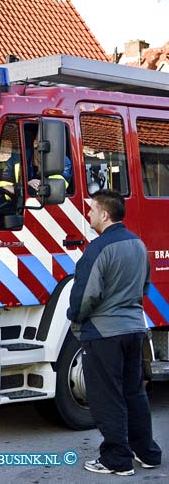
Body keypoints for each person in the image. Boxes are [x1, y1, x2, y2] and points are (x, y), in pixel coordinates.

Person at [68, 189, 162, 475]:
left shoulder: (97, 249)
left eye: (92, 210)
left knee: (107, 397)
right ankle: (147, 453)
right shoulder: (137, 244)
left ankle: (116, 460)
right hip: (135, 328)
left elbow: (85, 296)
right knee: (134, 393)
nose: (89, 215)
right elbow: (144, 287)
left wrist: (75, 317)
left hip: (104, 332)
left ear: (105, 215)